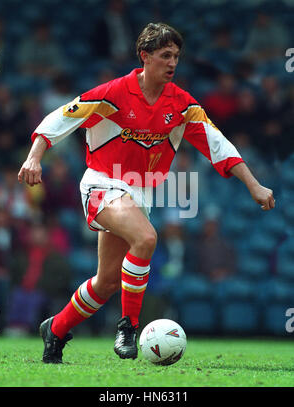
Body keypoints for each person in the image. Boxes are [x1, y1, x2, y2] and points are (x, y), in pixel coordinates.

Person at [18, 22, 275, 364]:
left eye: (177, 57)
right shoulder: (113, 93)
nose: (172, 63)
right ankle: (129, 326)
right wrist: (34, 156)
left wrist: (253, 184)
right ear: (145, 56)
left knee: (107, 282)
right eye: (165, 55)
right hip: (102, 183)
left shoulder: (182, 105)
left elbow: (218, 144)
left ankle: (56, 329)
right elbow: (61, 117)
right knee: (147, 239)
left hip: (140, 193)